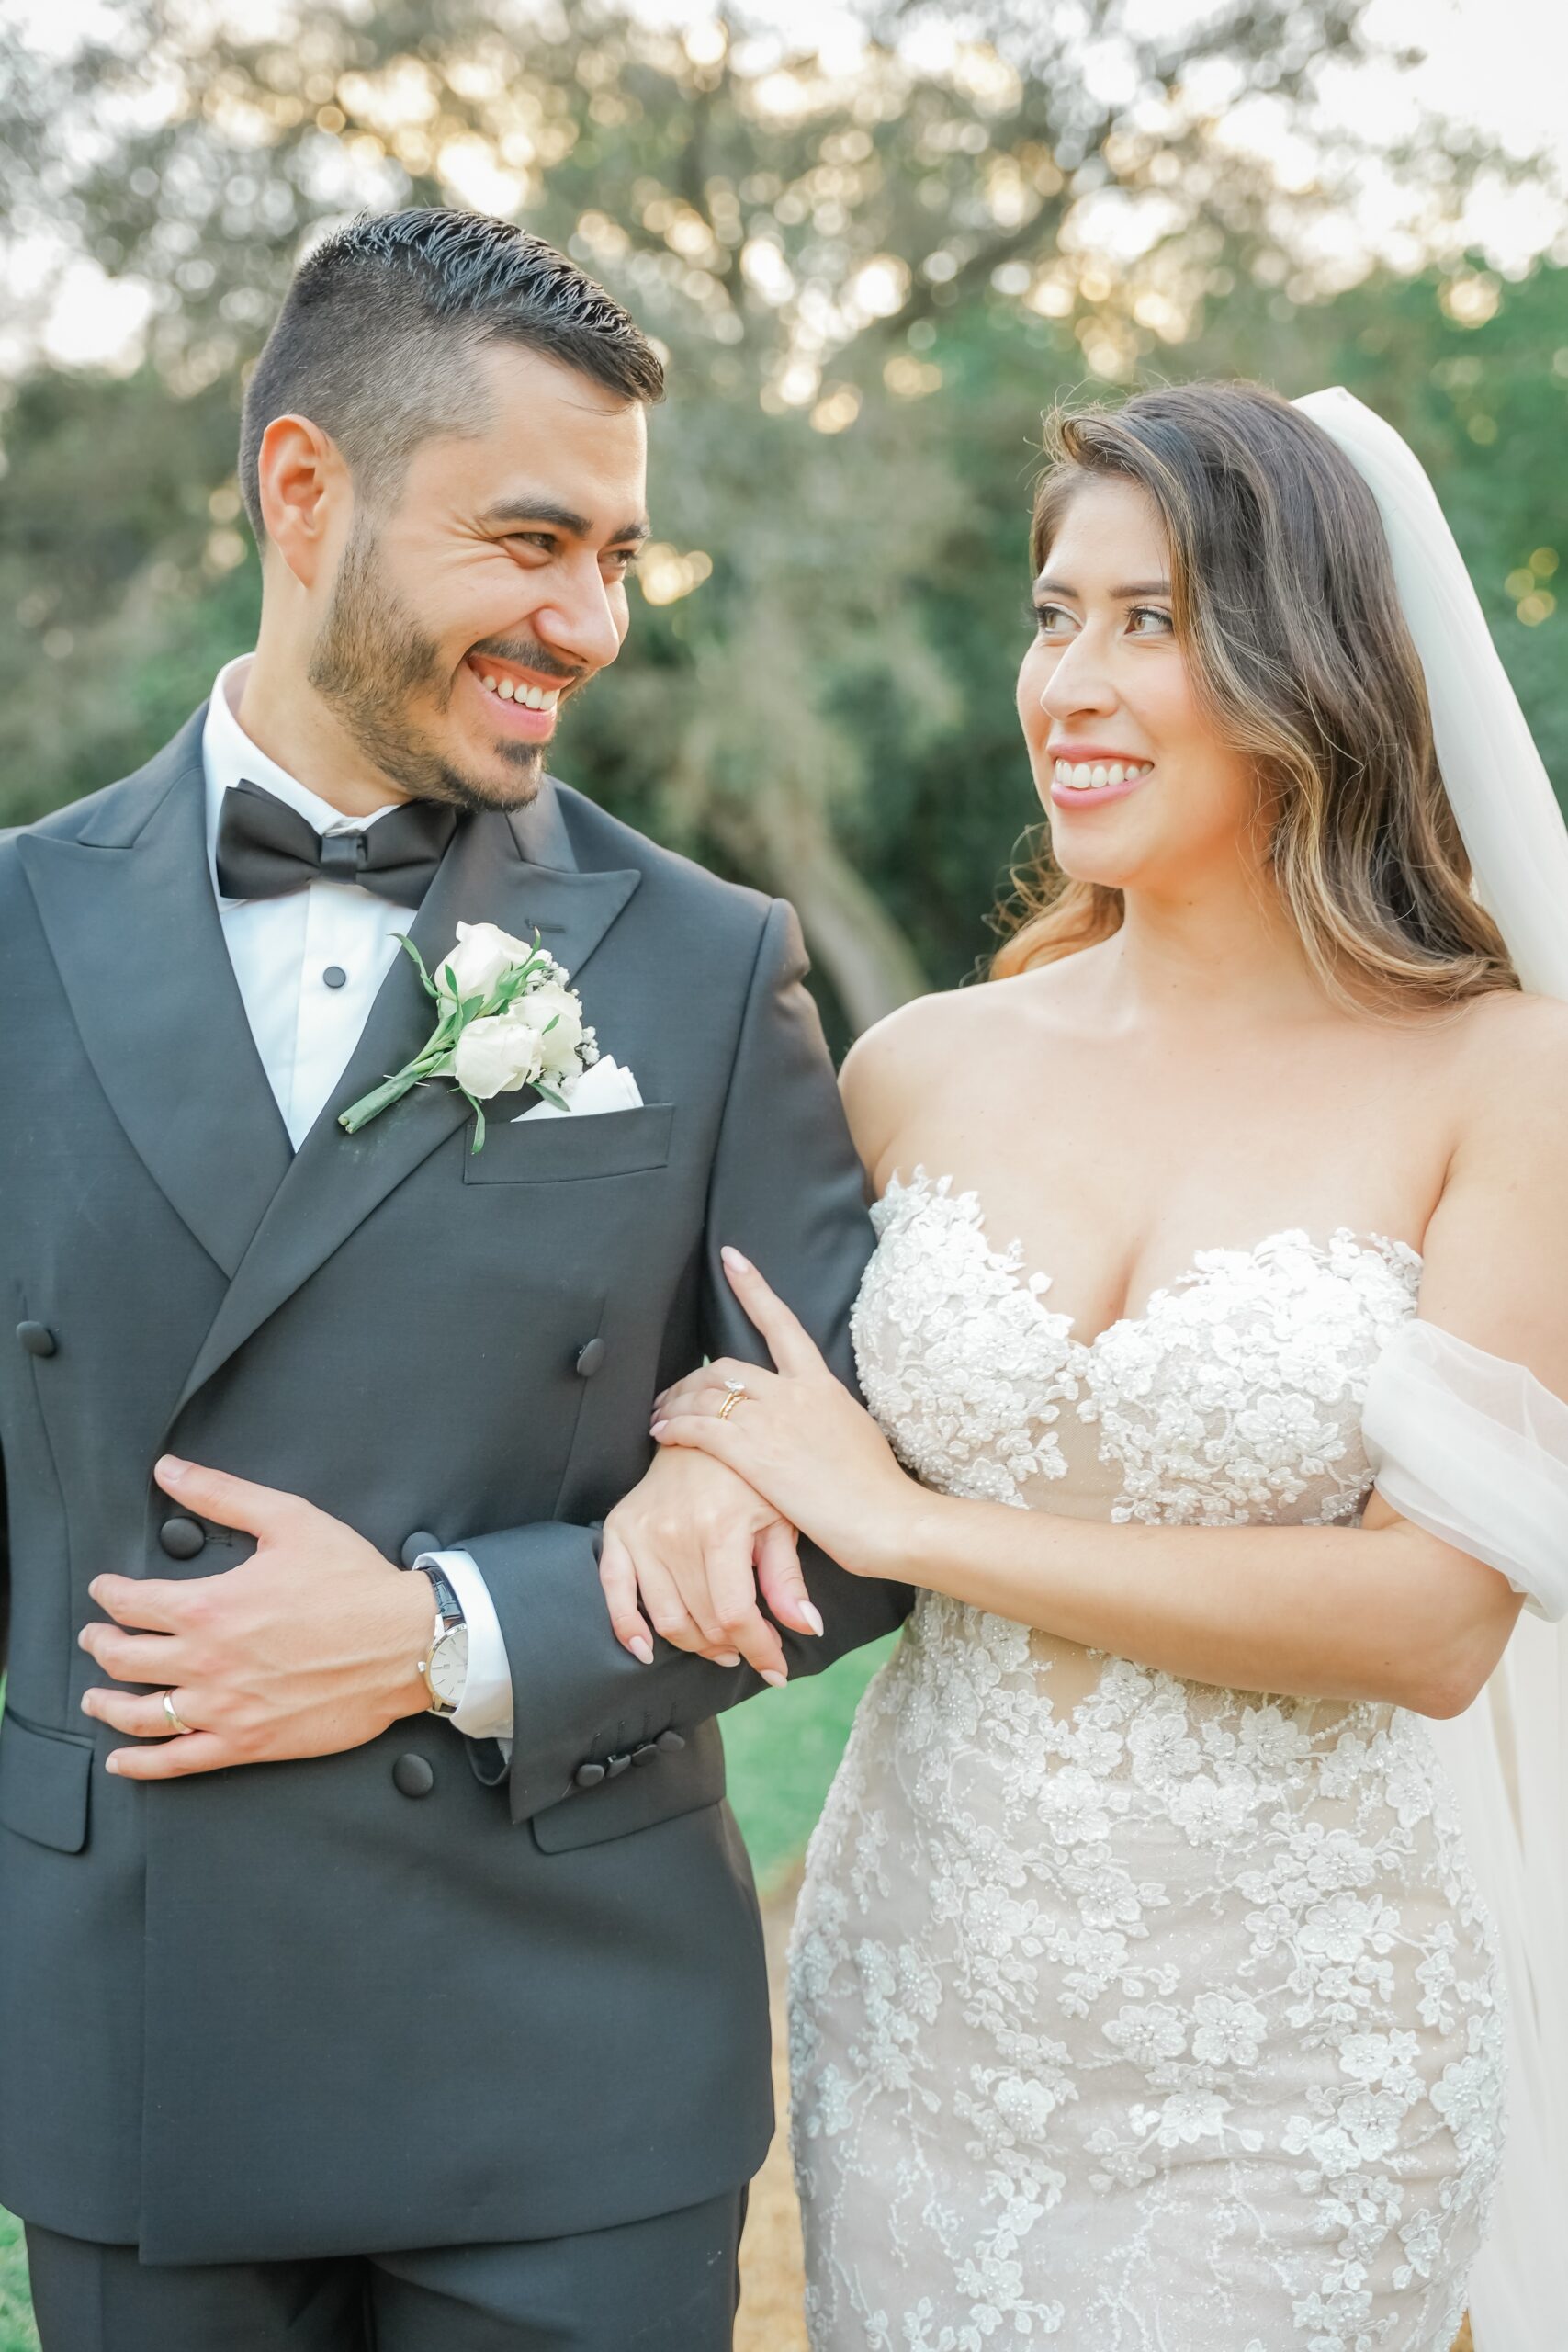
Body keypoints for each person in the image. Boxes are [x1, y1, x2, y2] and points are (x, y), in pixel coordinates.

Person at [0, 206, 907, 2351]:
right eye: (529, 539)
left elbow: (867, 1517)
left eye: (616, 556)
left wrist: (444, 1634)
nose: (585, 619)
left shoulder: (701, 963)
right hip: (145, 2037)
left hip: (565, 2076)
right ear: (302, 490)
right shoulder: (10, 937)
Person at [616, 382, 1568, 2348]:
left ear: (1309, 666)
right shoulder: (914, 1069)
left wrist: (912, 1520)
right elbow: (727, 1389)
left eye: (1152, 618)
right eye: (1055, 612)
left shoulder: (1502, 1079)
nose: (1071, 673)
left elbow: (1424, 1618)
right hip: (923, 2004)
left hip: (1293, 2053)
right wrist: (705, 1465)